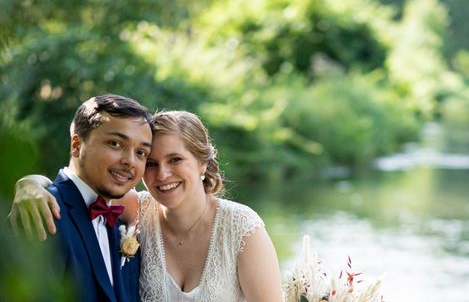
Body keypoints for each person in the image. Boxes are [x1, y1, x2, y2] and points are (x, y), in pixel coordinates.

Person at [11, 109, 283, 302]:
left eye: (175, 160)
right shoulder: (137, 208)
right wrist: (30, 183)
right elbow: (77, 189)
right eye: (151, 163)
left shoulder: (240, 228)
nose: (162, 174)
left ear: (202, 164)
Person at [9, 93, 153, 301]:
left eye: (141, 152)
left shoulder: (123, 226)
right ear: (77, 145)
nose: (130, 161)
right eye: (115, 144)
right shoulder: (41, 211)